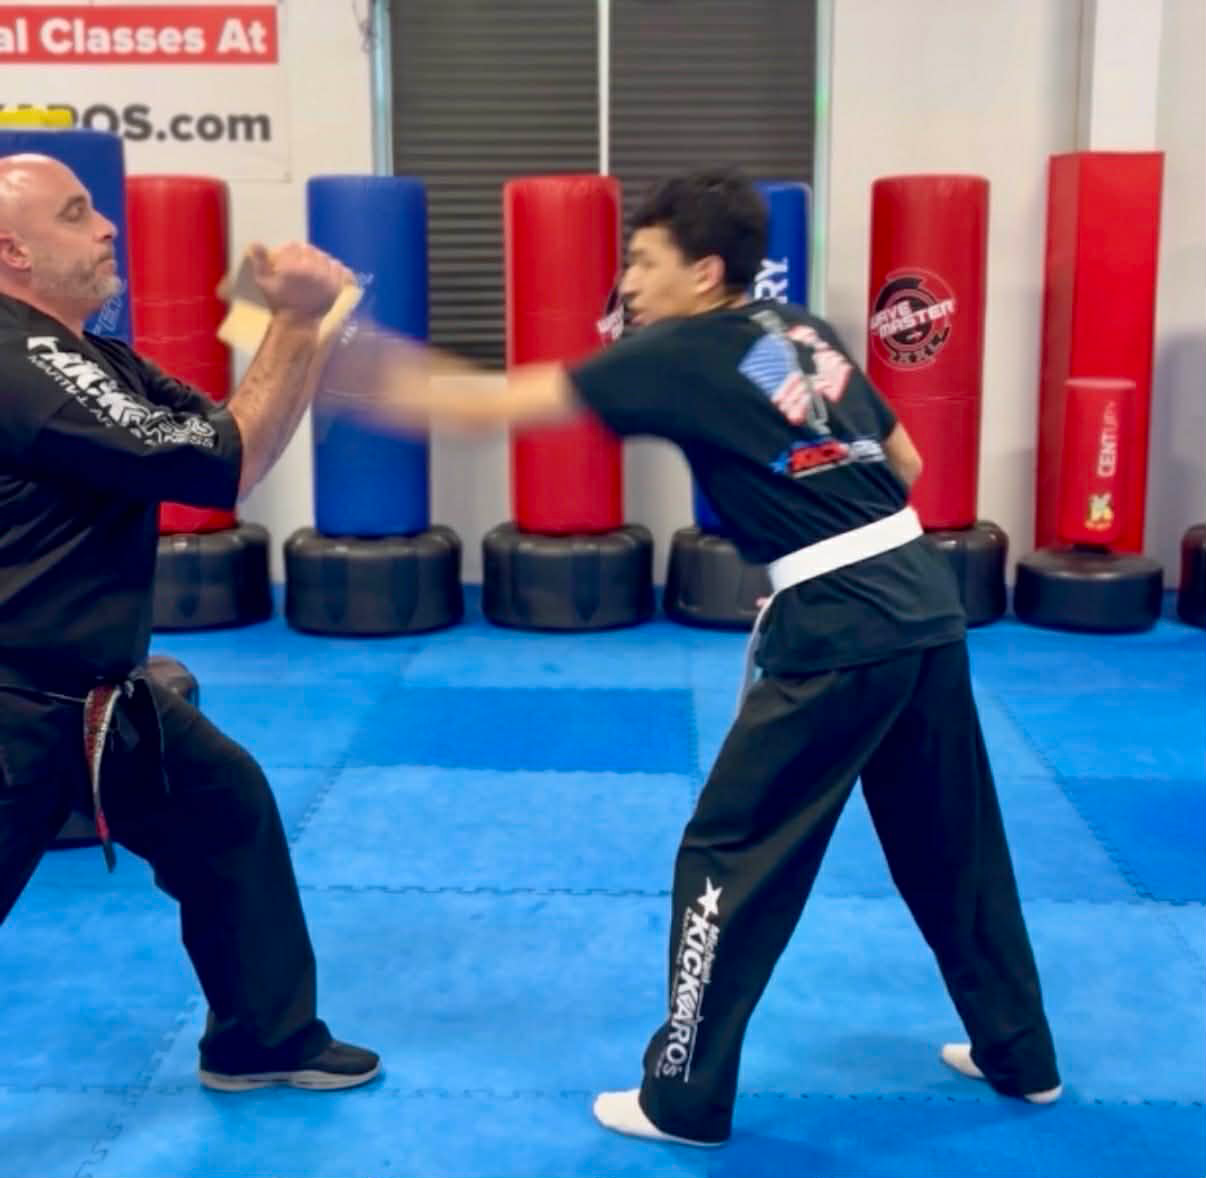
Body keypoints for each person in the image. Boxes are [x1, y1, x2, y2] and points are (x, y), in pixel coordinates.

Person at [347, 169, 1061, 1145]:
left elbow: (478, 405)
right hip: (923, 602)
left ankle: (681, 1094)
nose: (629, 284)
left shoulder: (679, 353)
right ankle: (1021, 1054)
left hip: (843, 628)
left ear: (705, 269)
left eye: (644, 262)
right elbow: (906, 465)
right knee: (954, 846)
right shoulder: (794, 329)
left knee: (729, 852)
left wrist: (302, 334)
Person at [0, 153, 380, 1092]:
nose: (108, 228)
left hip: (94, 697)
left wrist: (307, 326)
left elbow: (222, 436)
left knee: (223, 807)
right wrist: (294, 319)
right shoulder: (21, 364)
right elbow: (223, 468)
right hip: (12, 705)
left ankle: (262, 1038)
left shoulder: (91, 355)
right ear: (11, 249)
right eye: (78, 214)